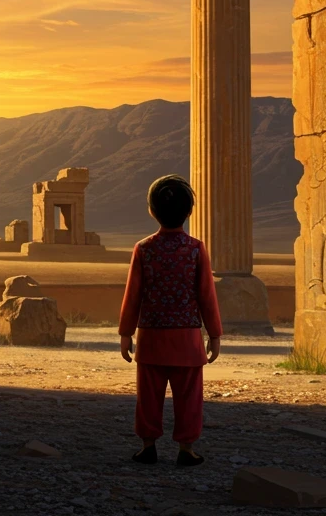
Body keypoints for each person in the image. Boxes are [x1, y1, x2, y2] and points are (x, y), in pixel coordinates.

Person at [118, 175, 221, 467]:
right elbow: (206, 296)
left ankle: (148, 446)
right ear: (189, 212)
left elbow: (133, 295)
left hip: (151, 337)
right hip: (187, 339)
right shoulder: (196, 249)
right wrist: (214, 335)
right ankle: (186, 449)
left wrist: (126, 333)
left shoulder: (144, 249)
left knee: (148, 396)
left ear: (152, 210)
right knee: (189, 397)